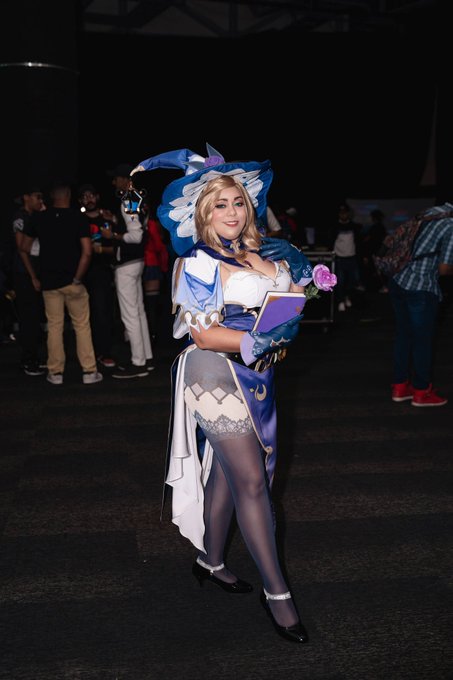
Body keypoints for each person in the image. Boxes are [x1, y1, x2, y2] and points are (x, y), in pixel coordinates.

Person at [131, 144, 316, 643]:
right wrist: (259, 340)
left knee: (226, 475)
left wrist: (294, 303)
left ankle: (210, 562)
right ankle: (277, 593)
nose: (231, 212)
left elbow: (286, 304)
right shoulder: (197, 262)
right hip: (214, 375)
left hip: (260, 375)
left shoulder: (264, 252)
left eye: (237, 202)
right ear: (202, 213)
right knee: (251, 483)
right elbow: (203, 333)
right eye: (219, 205)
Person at [19, 183, 103, 386]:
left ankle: (55, 372)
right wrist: (78, 277)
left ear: (51, 197)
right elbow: (87, 252)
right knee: (82, 326)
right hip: (73, 281)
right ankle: (89, 371)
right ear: (69, 196)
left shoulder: (39, 218)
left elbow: (24, 248)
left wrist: (34, 275)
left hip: (49, 282)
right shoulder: (78, 218)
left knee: (54, 327)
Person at [389, 202, 453, 407]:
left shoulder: (431, 212)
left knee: (403, 335)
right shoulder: (451, 226)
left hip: (398, 279)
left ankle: (400, 387)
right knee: (422, 341)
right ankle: (421, 391)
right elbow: (444, 269)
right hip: (421, 286)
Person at [106, 164, 153, 379]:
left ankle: (138, 363)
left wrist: (113, 236)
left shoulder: (128, 200)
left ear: (126, 180)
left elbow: (136, 235)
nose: (114, 182)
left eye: (116, 178)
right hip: (137, 262)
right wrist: (115, 221)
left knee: (130, 314)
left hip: (127, 264)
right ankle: (146, 359)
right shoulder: (137, 199)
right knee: (139, 312)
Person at [77, 183, 117, 368]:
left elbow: (117, 247)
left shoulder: (106, 217)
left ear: (97, 197)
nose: (89, 199)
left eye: (91, 195)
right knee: (83, 316)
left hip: (102, 271)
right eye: (85, 197)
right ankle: (87, 355)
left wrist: (100, 249)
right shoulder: (78, 219)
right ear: (80, 200)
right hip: (81, 273)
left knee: (103, 312)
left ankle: (104, 352)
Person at [11, 186, 47, 375]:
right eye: (37, 197)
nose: (41, 201)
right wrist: (32, 276)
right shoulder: (21, 217)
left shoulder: (35, 216)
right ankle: (28, 360)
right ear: (26, 197)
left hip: (36, 269)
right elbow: (21, 248)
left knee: (36, 317)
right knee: (28, 317)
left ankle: (34, 357)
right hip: (24, 273)